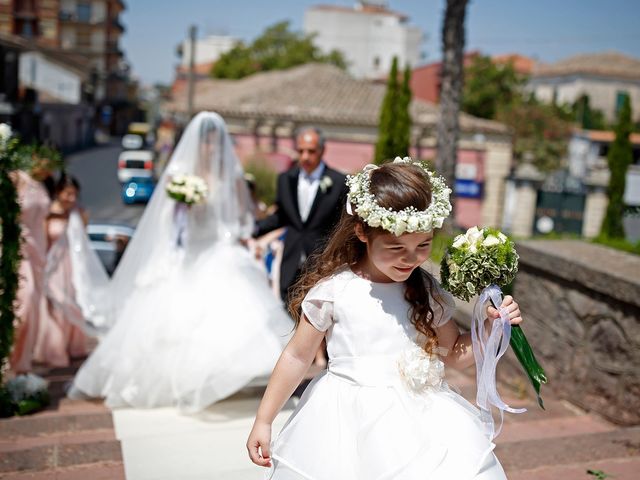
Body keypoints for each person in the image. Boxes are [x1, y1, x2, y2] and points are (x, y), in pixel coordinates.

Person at [247, 159, 523, 479]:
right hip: (345, 421)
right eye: (395, 247)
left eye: (423, 245)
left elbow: (456, 356)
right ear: (362, 231)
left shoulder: (426, 291)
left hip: (422, 420)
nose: (410, 258)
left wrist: (490, 328)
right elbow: (297, 356)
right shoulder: (334, 291)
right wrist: (264, 419)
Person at [69, 112, 291, 412]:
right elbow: (164, 215)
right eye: (207, 143)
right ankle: (182, 382)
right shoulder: (181, 171)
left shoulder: (232, 176)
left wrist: (234, 234)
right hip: (188, 252)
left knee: (227, 313)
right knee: (174, 320)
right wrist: (184, 206)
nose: (212, 149)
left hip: (218, 248)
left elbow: (242, 218)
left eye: (216, 143)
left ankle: (216, 379)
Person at [253, 127, 347, 304]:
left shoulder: (338, 182)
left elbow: (342, 223)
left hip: (322, 261)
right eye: (300, 151)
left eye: (311, 151)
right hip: (290, 258)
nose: (305, 156)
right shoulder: (285, 179)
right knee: (285, 307)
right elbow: (281, 216)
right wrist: (253, 228)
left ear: (322, 151)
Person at [34, 175, 91, 367]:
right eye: (68, 194)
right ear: (59, 193)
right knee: (56, 305)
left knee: (73, 303)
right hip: (54, 267)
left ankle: (72, 346)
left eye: (75, 194)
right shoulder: (47, 214)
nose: (72, 198)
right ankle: (55, 350)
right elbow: (42, 242)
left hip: (73, 266)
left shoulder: (79, 214)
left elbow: (83, 244)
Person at [10, 156, 53, 374]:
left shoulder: (41, 186)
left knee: (32, 309)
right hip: (18, 251)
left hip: (37, 253)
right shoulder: (16, 179)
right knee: (22, 306)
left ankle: (22, 364)